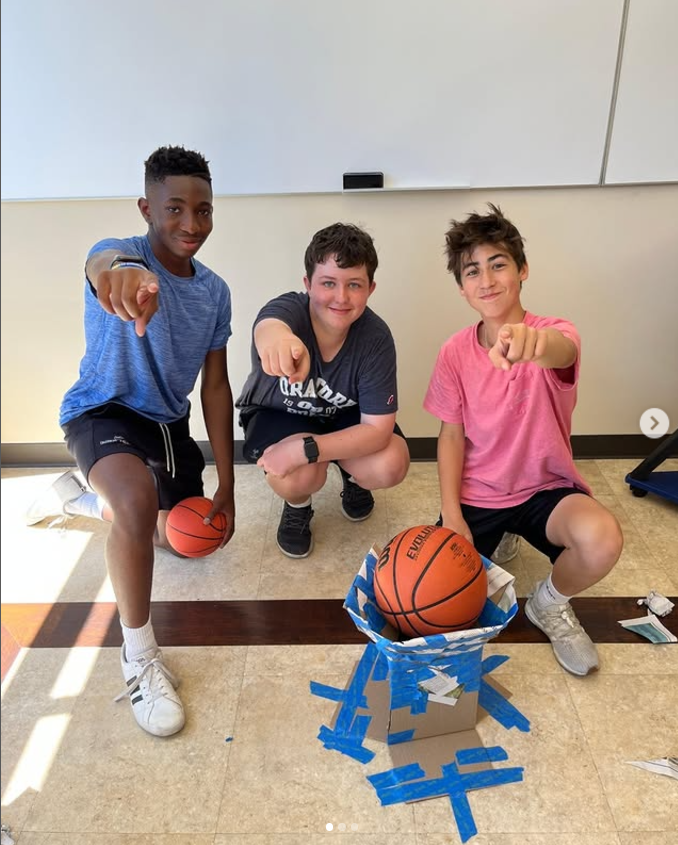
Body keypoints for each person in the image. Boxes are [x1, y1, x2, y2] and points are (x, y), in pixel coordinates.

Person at [25, 146, 236, 736]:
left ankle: (82, 501)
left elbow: (216, 387)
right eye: (174, 209)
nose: (191, 224)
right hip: (103, 410)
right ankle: (139, 657)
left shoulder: (215, 292)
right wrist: (123, 278)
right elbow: (104, 266)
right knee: (137, 505)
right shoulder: (118, 255)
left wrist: (228, 479)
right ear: (147, 207)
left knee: (189, 538)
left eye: (203, 210)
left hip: (167, 424)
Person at [424, 204, 623, 676]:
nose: (487, 279)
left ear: (522, 270)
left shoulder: (554, 333)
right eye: (473, 271)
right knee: (433, 599)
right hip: (480, 493)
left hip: (544, 488)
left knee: (601, 539)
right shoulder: (453, 351)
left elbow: (561, 351)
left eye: (499, 264)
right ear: (462, 287)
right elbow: (450, 436)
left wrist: (530, 344)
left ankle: (548, 606)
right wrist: (453, 515)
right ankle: (498, 532)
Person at [236, 222, 410, 558]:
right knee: (295, 478)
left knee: (391, 463)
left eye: (354, 285)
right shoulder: (287, 310)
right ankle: (298, 505)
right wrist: (281, 344)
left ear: (371, 288)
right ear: (307, 284)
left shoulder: (376, 338)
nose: (341, 297)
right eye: (328, 283)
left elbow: (377, 430)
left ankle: (352, 477)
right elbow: (270, 328)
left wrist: (307, 449)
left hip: (343, 416)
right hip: (281, 412)